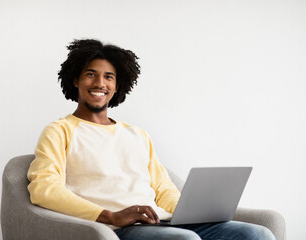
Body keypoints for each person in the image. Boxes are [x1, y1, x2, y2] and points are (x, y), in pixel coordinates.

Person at [27, 39, 275, 240]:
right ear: (76, 80)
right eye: (90, 75)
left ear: (117, 86)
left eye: (108, 77)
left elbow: (163, 188)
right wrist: (110, 216)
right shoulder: (60, 131)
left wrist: (185, 212)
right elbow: (44, 189)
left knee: (257, 233)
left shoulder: (137, 135)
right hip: (117, 229)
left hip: (160, 222)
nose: (99, 83)